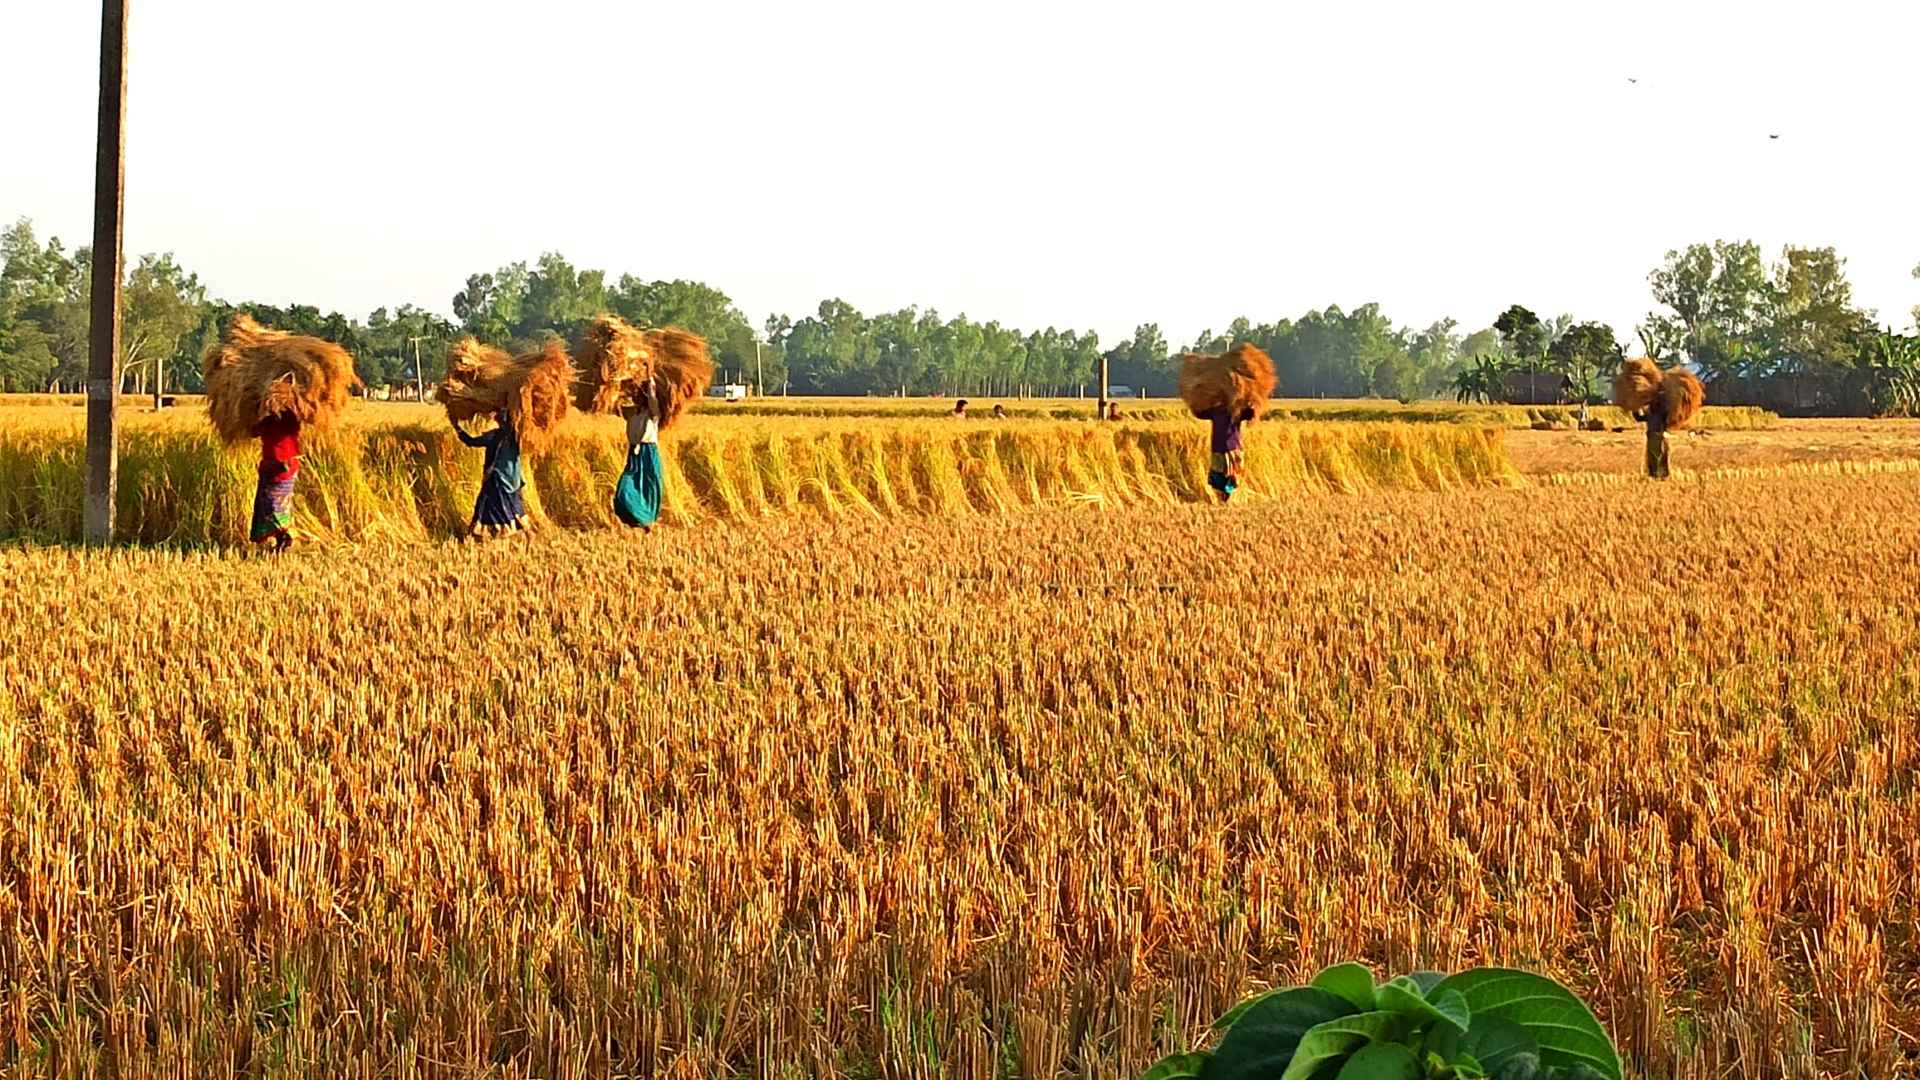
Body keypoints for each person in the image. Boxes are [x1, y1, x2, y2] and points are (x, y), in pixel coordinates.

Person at [455, 411, 529, 537]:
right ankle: (527, 530)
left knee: (485, 503)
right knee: (514, 507)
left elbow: (471, 442)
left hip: (499, 479)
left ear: (499, 421)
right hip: (514, 480)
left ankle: (479, 531)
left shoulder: (495, 436)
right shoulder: (516, 437)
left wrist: (457, 428)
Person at [615, 378, 664, 531]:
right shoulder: (632, 415)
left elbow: (653, 400)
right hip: (634, 454)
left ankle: (647, 519)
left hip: (648, 453)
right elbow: (615, 405)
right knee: (625, 488)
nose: (635, 398)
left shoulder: (653, 415)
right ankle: (635, 518)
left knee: (649, 487)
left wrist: (650, 384)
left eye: (638, 396)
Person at [249, 413, 300, 551]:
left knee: (272, 506)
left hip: (280, 468)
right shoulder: (289, 418)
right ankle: (281, 539)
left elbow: (253, 431)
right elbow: (254, 432)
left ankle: (284, 536)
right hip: (281, 468)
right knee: (275, 506)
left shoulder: (279, 419)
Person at [1196, 404, 1253, 503]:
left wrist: (1251, 404)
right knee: (1218, 478)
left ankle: (1227, 499)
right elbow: (1199, 413)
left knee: (1231, 477)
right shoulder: (1215, 410)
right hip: (1219, 450)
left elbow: (1250, 414)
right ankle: (1222, 499)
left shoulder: (1236, 410)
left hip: (1232, 450)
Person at [1635, 394, 1671, 479]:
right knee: (1653, 454)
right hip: (1652, 435)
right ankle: (1656, 473)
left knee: (1657, 454)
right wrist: (1635, 409)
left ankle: (1658, 473)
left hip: (1657, 434)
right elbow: (1639, 418)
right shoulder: (1651, 414)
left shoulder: (1660, 413)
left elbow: (1666, 416)